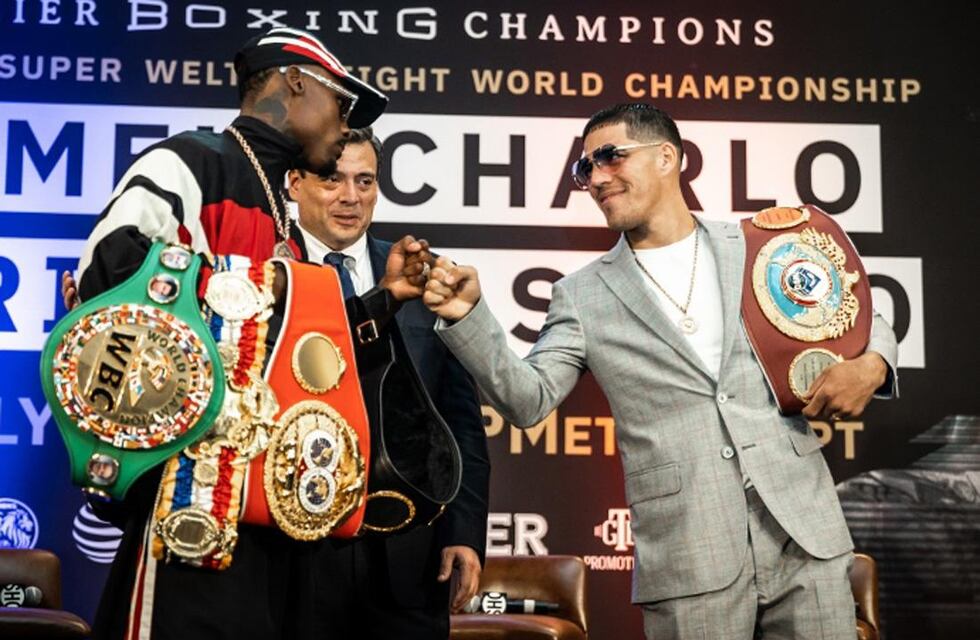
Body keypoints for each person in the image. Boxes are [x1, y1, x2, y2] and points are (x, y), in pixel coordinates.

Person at [423, 103, 899, 639]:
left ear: (668, 156)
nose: (597, 177)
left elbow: (857, 309)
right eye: (585, 169)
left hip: (803, 535)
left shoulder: (754, 245)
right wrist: (470, 316)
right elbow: (527, 399)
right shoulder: (581, 296)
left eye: (610, 157)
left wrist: (874, 363)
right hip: (690, 553)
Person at [62, 27, 431, 640]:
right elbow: (109, 270)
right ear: (295, 84)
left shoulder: (279, 206)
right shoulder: (192, 159)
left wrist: (380, 302)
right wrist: (262, 286)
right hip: (186, 502)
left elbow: (291, 355)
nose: (344, 128)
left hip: (265, 513)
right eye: (340, 104)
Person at [286, 128, 490, 639]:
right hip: (292, 556)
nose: (350, 197)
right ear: (294, 183)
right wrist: (379, 301)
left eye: (365, 180)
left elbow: (459, 417)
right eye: (331, 179)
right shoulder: (267, 272)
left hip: (408, 558)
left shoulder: (427, 277)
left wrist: (463, 531)